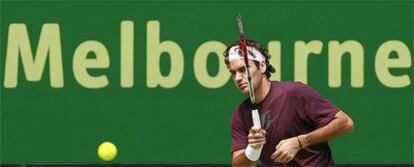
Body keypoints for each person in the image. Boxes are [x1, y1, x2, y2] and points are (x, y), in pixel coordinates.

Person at [223, 39, 354, 166]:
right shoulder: (240, 114)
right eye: (233, 73)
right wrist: (253, 149)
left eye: (243, 69)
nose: (238, 78)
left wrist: (300, 141)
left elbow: (345, 123)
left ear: (262, 66)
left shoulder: (294, 93)